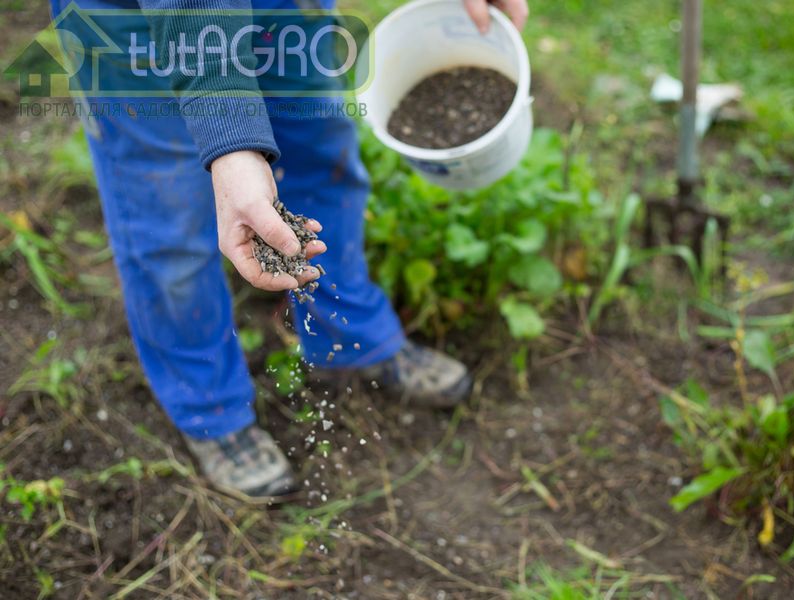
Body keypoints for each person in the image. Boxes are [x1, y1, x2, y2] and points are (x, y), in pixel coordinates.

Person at [49, 0, 529, 498]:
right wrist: (231, 140)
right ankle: (209, 407)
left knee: (321, 152)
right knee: (166, 214)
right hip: (144, 18)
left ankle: (347, 337)